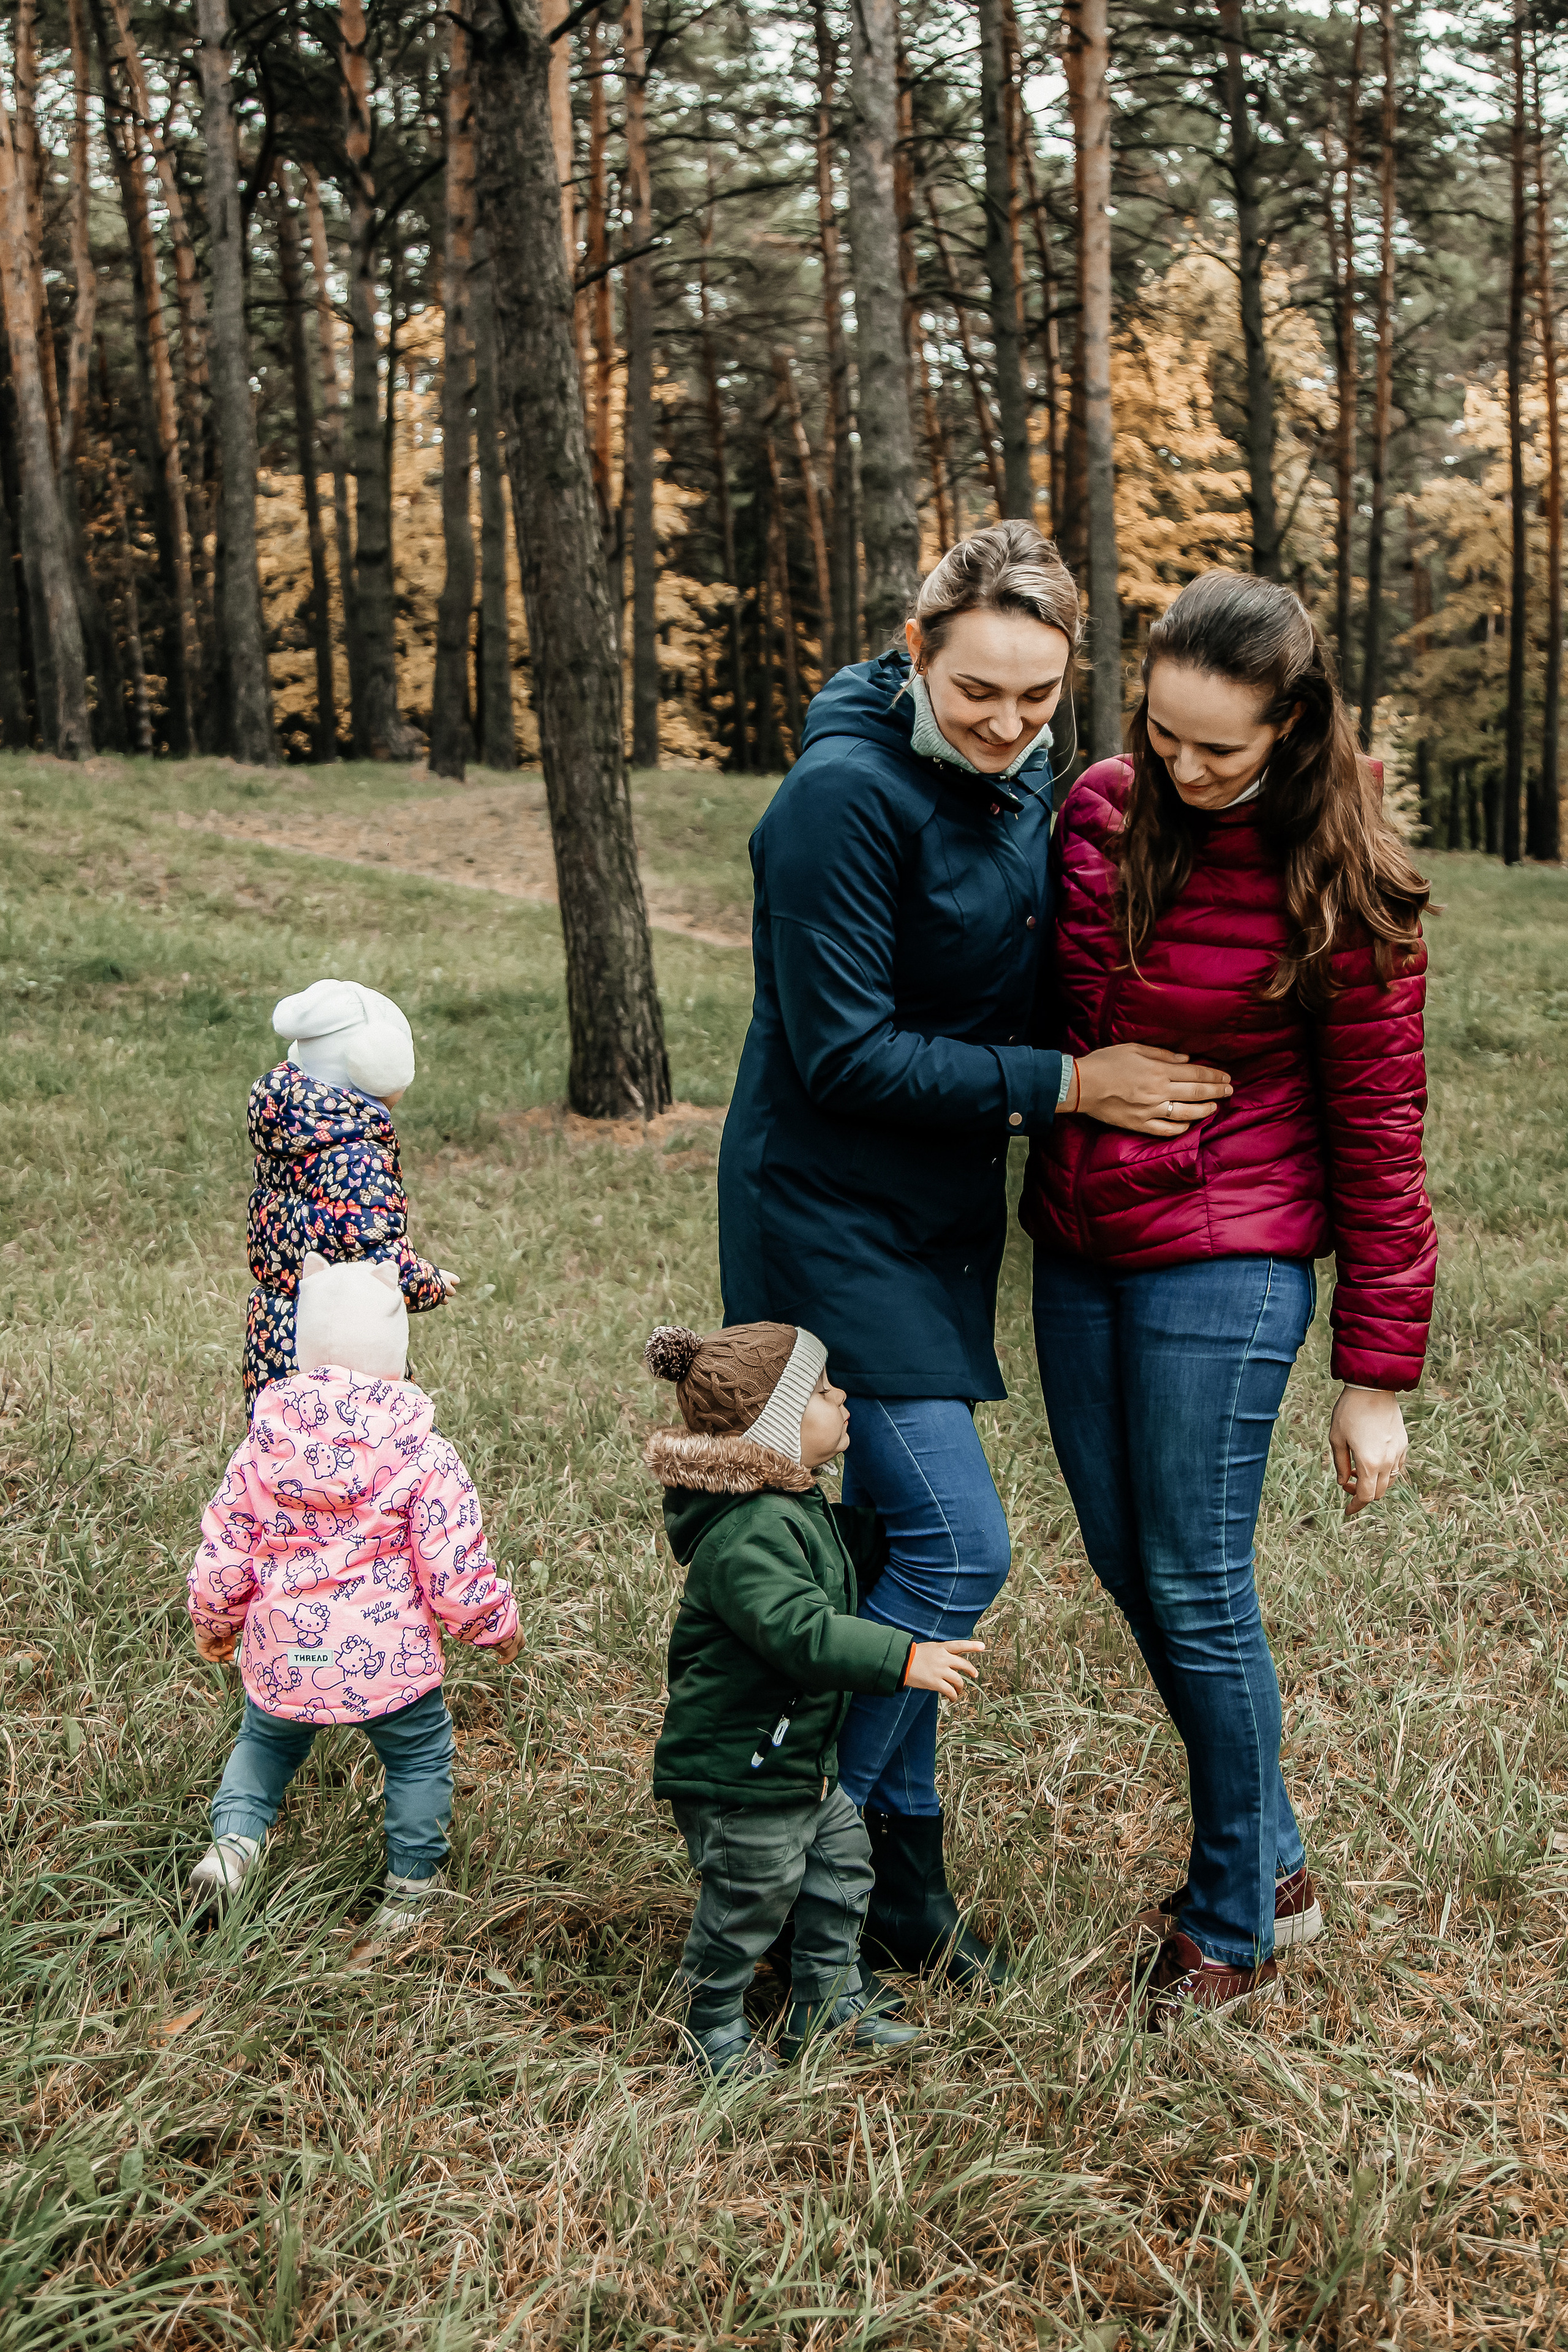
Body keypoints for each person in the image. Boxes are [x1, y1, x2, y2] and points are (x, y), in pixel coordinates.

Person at [717, 521, 1231, 1986]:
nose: (1007, 724)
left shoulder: (1025, 784)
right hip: (821, 1214)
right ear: (912, 654)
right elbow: (841, 1053)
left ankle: (898, 1886)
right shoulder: (836, 800)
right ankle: (786, 1849)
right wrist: (1069, 1086)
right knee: (956, 1543)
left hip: (934, 1221)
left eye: (1037, 695)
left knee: (886, 1549)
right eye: (974, 692)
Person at [1021, 569, 1436, 2026]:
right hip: (1076, 1237)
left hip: (1229, 1254)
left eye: (1218, 747)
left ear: (1292, 723)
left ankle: (1233, 1917)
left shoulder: (1343, 880)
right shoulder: (1097, 812)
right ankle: (1273, 1862)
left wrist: (1373, 1378)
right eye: (1161, 733)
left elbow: (1379, 1137)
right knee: (1124, 1560)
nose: (1181, 769)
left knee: (1193, 1579)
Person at [644, 1320, 984, 2079]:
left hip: (797, 1761)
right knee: (748, 1901)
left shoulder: (791, 1505)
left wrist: (936, 1538)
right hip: (739, 1774)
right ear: (776, 1426)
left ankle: (827, 2005)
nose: (843, 1399)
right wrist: (904, 1656)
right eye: (824, 1392)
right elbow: (802, 1631)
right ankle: (710, 2027)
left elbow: (844, 1556)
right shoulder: (749, 1534)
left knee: (843, 1873)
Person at [186, 1252, 520, 1939]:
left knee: (265, 1743)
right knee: (418, 1755)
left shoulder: (263, 1447)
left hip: (286, 1650)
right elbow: (452, 1559)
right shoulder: (424, 1452)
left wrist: (215, 1616)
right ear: (395, 1351)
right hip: (388, 1659)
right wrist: (492, 1623)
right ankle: (410, 1891)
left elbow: (227, 1543)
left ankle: (232, 1850)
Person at [244, 978, 458, 1413]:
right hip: (347, 1336)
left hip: (274, 1328)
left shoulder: (291, 1128)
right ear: (379, 1063)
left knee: (284, 1441)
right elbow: (378, 1254)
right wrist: (428, 1282)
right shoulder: (360, 1157)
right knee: (375, 1444)